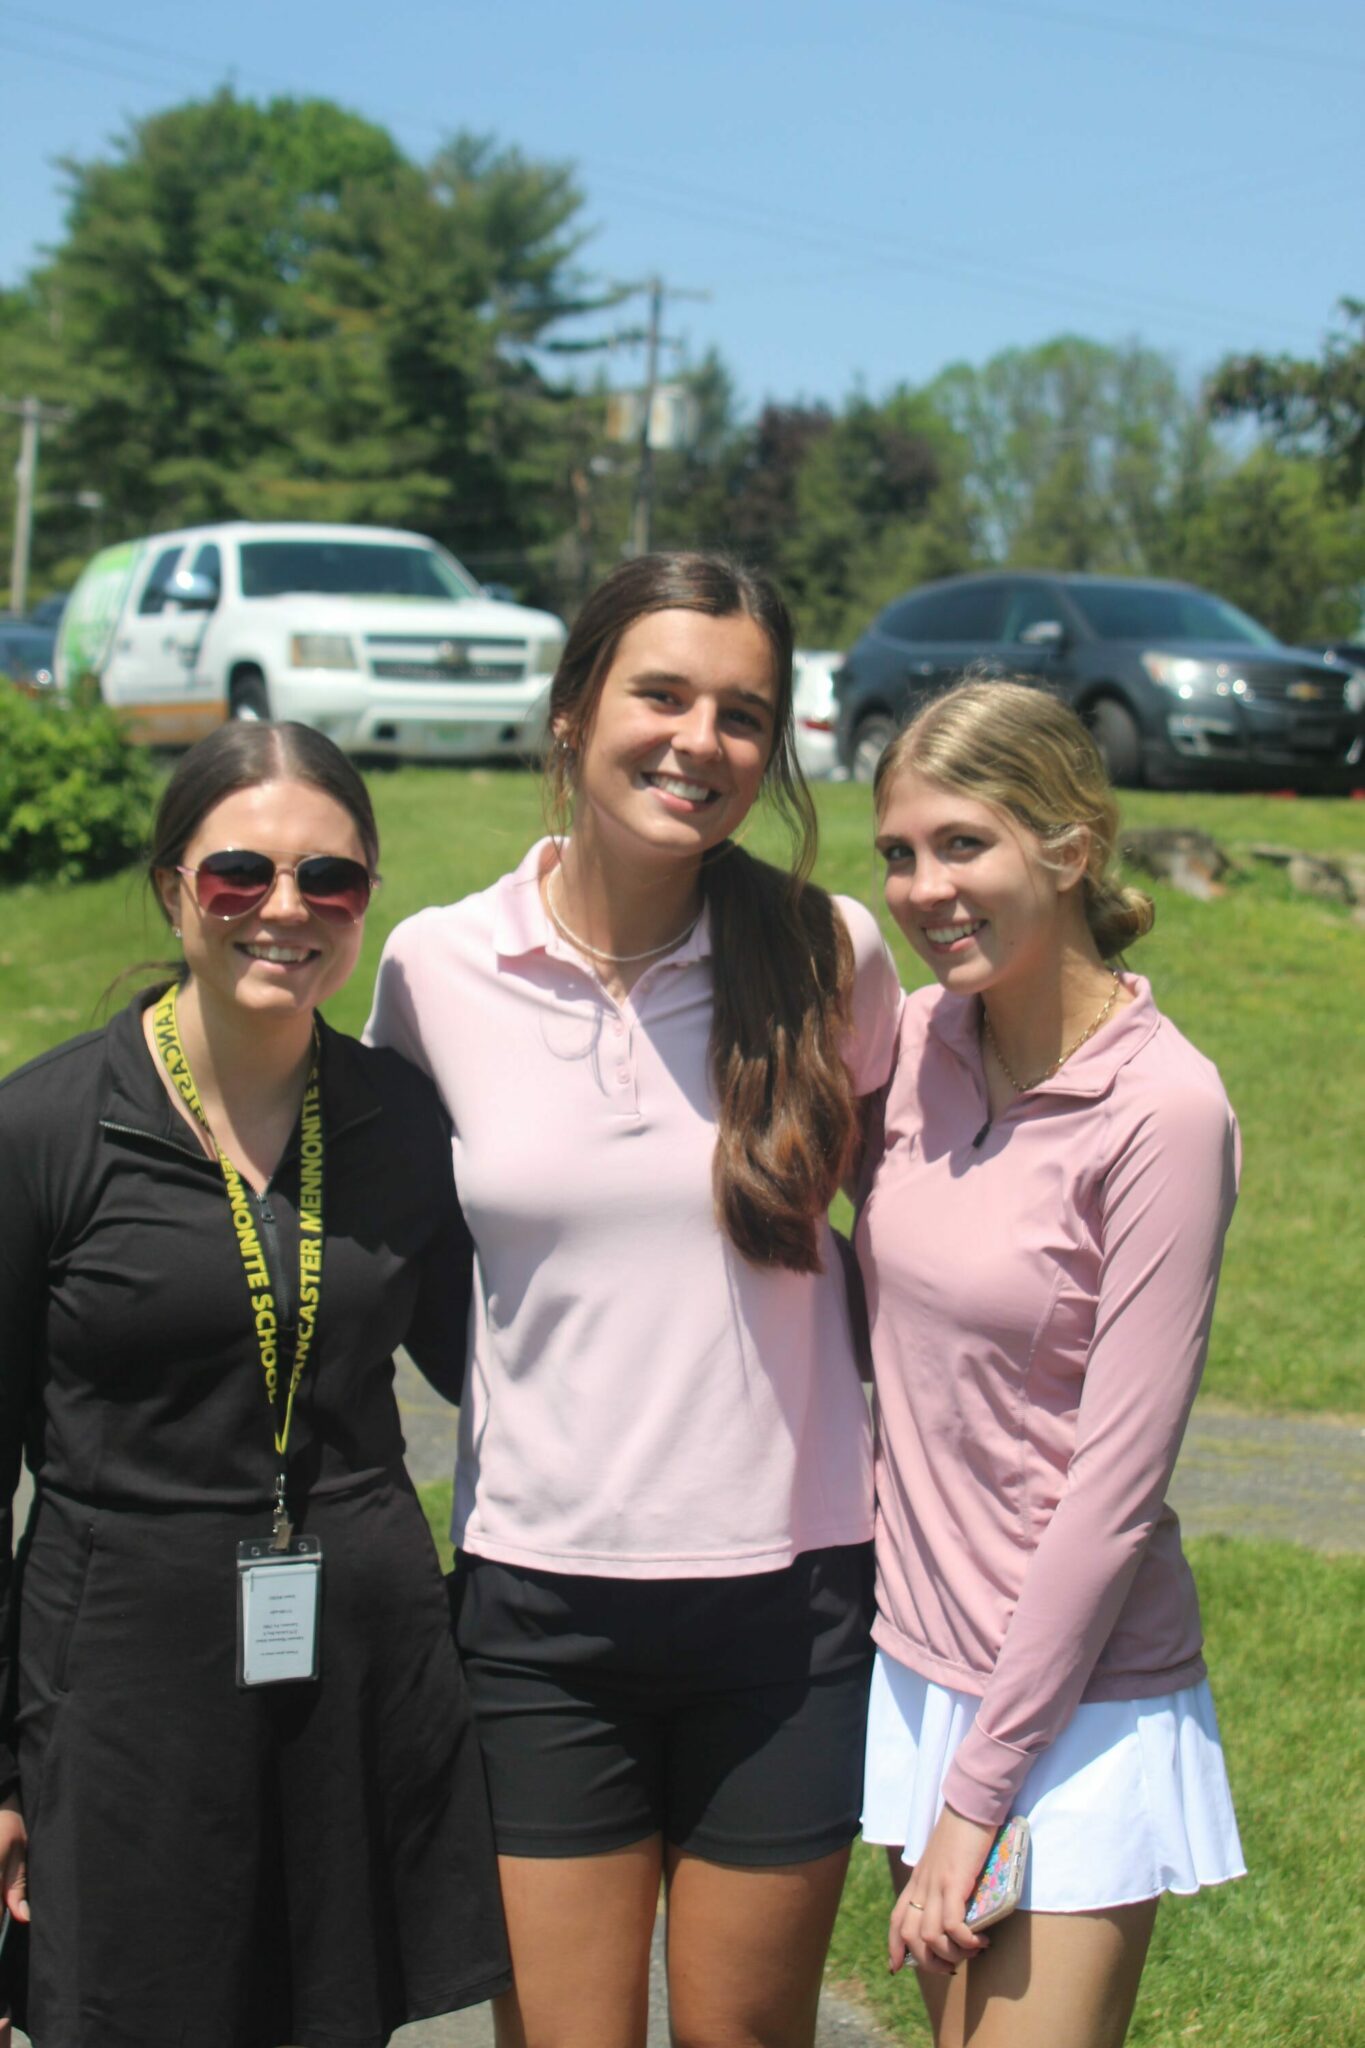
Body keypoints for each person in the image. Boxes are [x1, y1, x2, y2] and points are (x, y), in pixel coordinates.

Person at [366, 552, 903, 2048]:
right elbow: (411, 1264)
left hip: (787, 1614)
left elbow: (916, 1238)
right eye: (660, 693)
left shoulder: (829, 953)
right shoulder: (436, 968)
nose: (700, 741)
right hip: (540, 1615)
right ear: (568, 712)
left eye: (744, 713)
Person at [0, 722, 510, 2048]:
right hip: (121, 1677)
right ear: (175, 887)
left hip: (353, 1670)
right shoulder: (48, 1130)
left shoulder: (400, 1120)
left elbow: (501, 1375)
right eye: (240, 875)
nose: (284, 910)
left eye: (327, 881)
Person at [856, 681, 1246, 2048]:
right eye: (898, 853)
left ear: (1071, 846)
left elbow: (1110, 1492)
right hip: (919, 1663)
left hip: (1073, 1699)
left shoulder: (1162, 1111)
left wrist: (981, 1792)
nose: (922, 888)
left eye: (963, 845)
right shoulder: (907, 1045)